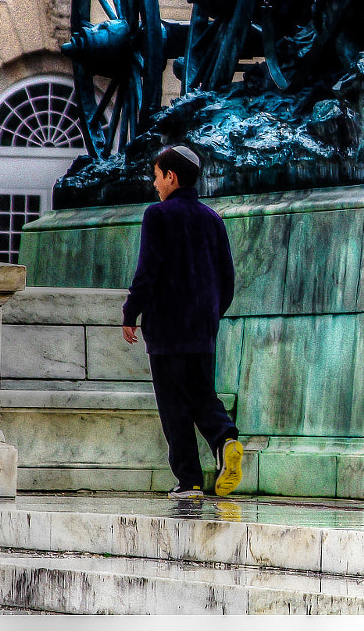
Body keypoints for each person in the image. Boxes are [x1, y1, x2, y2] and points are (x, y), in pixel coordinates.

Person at [121, 144, 242, 498]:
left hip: (167, 327)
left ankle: (189, 480)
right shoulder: (213, 218)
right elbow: (227, 279)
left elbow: (148, 271)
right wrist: (209, 315)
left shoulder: (157, 215)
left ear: (171, 177)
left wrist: (131, 312)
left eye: (157, 177)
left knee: (174, 404)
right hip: (202, 328)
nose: (154, 184)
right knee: (202, 393)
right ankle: (225, 438)